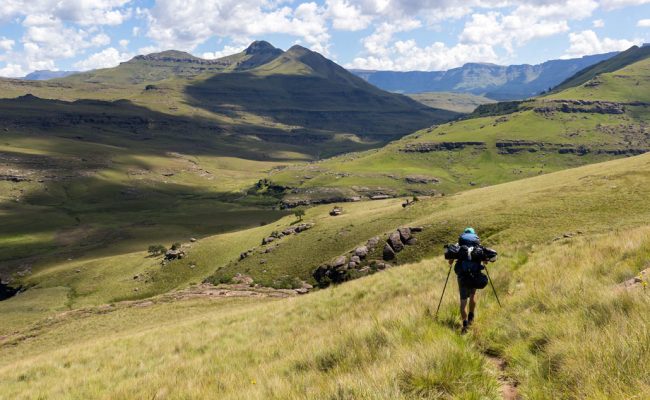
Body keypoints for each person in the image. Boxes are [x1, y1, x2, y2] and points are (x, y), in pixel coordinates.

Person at [448, 227, 484, 334]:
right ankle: (471, 316)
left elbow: (450, 261)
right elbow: (485, 260)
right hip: (475, 274)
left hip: (462, 275)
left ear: (463, 235)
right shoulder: (477, 244)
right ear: (473, 235)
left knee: (463, 300)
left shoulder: (459, 245)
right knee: (472, 295)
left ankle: (464, 324)